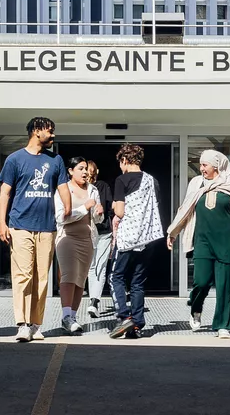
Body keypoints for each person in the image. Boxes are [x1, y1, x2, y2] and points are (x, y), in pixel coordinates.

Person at [0, 117, 73, 342]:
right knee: (23, 276)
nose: (53, 135)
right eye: (50, 131)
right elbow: (5, 192)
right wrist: (2, 223)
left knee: (41, 278)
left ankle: (35, 324)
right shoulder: (15, 159)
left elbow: (62, 187)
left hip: (47, 227)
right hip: (20, 225)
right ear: (36, 131)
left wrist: (67, 208)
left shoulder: (56, 160)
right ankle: (22, 324)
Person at [167, 149, 230, 340]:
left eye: (204, 165)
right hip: (202, 241)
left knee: (223, 286)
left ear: (216, 166)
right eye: (201, 165)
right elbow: (185, 210)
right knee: (201, 281)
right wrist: (172, 232)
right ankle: (196, 307)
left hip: (226, 241)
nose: (201, 168)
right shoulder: (196, 183)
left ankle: (223, 325)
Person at [107, 143, 166, 339]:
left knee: (116, 277)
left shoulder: (122, 180)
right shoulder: (152, 180)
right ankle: (137, 324)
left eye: (120, 163)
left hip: (127, 237)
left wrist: (115, 204)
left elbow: (120, 211)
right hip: (148, 237)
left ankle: (124, 317)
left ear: (124, 160)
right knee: (138, 282)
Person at [55, 157, 102, 335]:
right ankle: (66, 315)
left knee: (80, 279)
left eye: (86, 169)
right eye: (80, 168)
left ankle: (72, 317)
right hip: (67, 238)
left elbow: (97, 219)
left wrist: (99, 213)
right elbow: (61, 217)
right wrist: (84, 207)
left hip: (87, 240)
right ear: (70, 171)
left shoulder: (93, 190)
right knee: (68, 275)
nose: (84, 172)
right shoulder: (63, 189)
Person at [85, 158, 115, 319]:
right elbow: (110, 208)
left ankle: (93, 301)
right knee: (98, 267)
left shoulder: (98, 187)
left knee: (95, 267)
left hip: (99, 231)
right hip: (99, 231)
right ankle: (93, 301)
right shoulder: (101, 186)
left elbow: (109, 208)